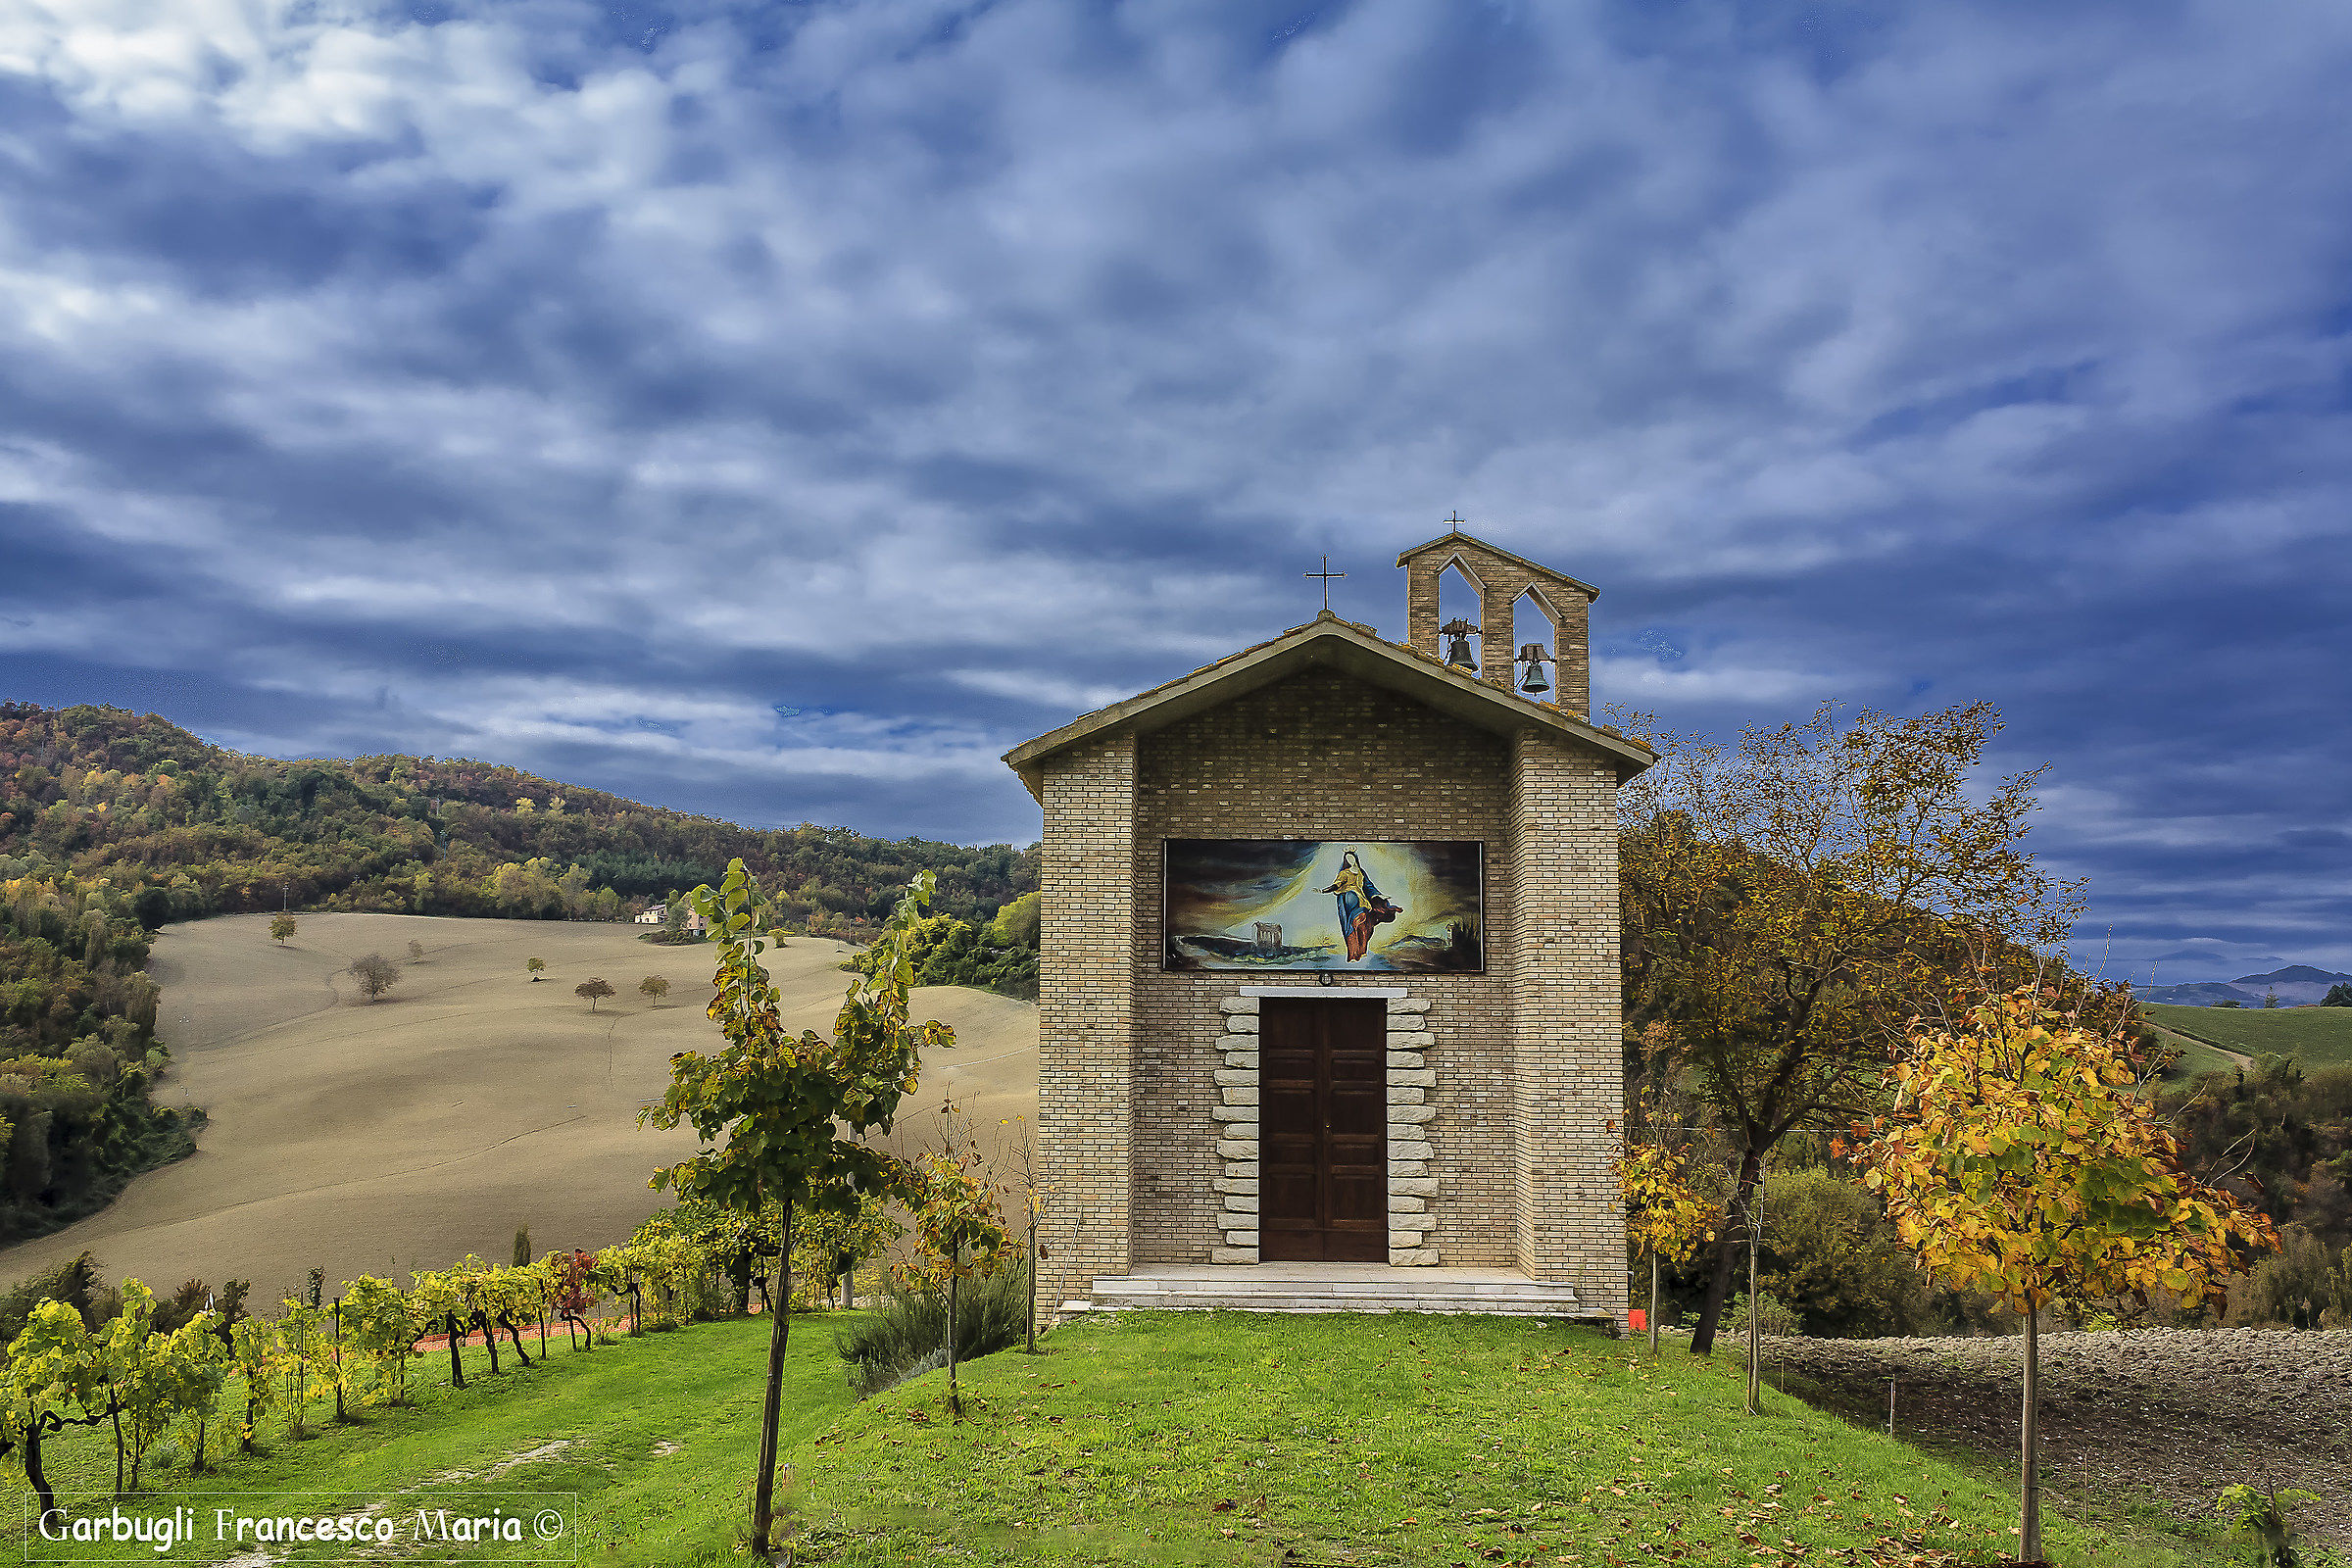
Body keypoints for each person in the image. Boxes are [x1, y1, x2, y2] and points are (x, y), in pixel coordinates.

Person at [1319, 850, 1399, 962]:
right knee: (1354, 923)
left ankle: (1361, 951)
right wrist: (1323, 891)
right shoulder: (1344, 873)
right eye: (1348, 859)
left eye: (1352, 857)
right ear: (1345, 861)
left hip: (1363, 900)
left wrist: (1379, 896)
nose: (1350, 860)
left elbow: (1368, 886)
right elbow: (1336, 885)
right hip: (1350, 899)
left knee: (1366, 925)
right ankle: (1353, 953)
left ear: (1356, 858)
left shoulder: (1361, 872)